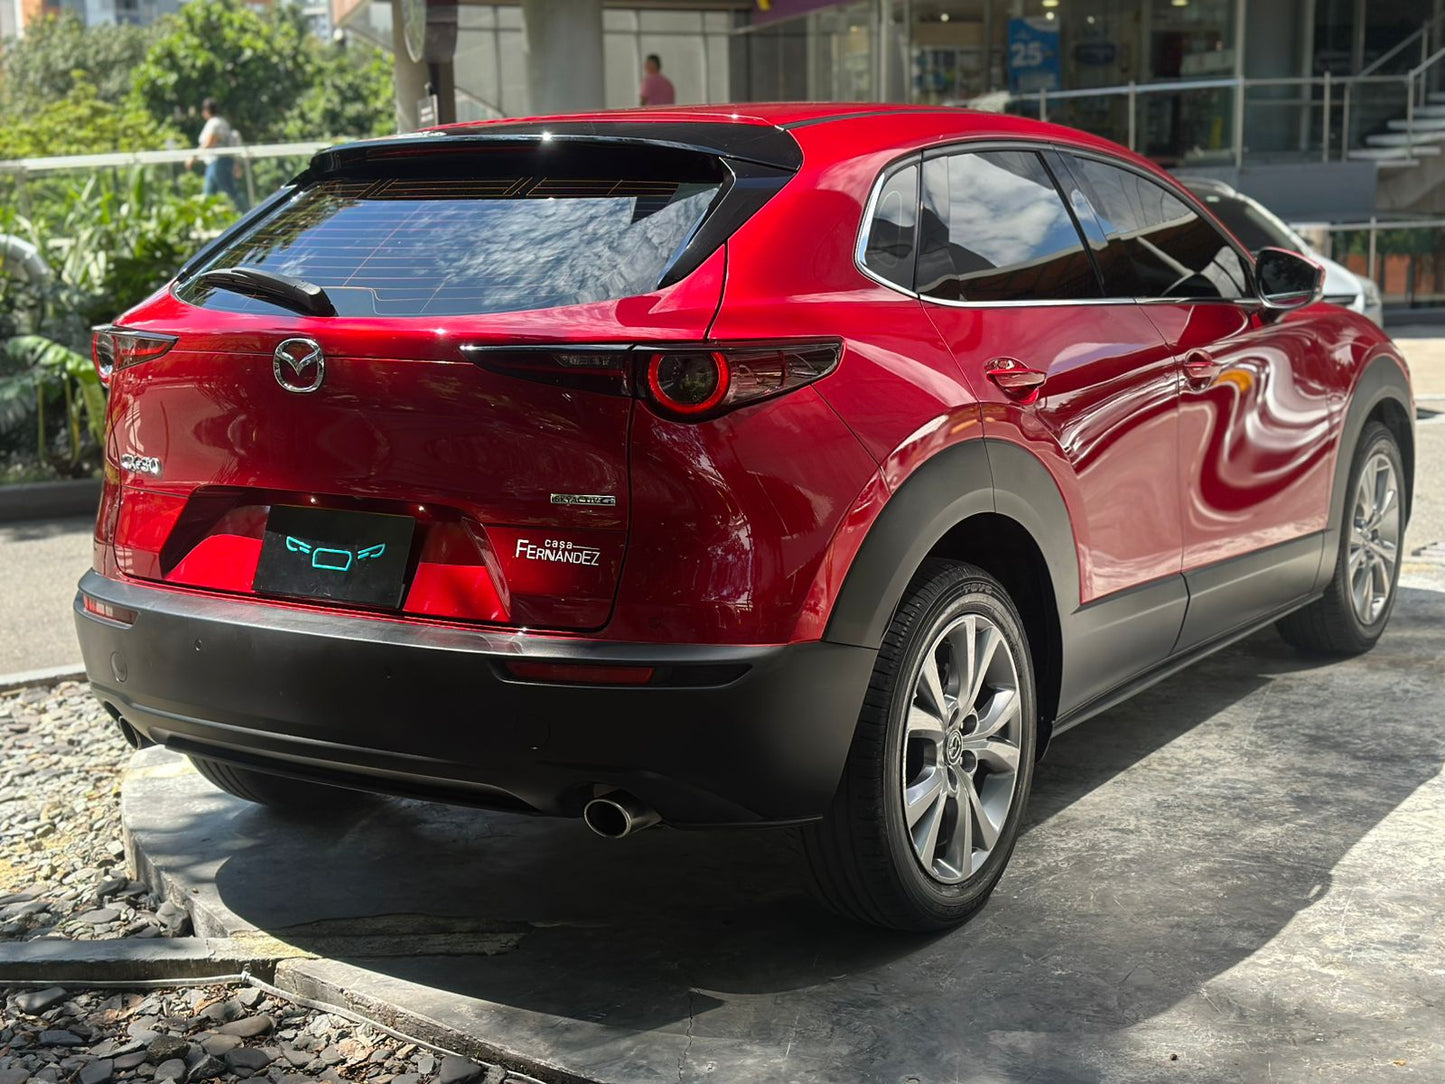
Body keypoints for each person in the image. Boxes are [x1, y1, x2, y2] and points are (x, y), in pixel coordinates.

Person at [189, 98, 248, 212]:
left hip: (219, 162)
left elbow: (210, 143)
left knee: (229, 192)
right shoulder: (220, 122)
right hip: (214, 162)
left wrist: (194, 157)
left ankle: (246, 213)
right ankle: (208, 220)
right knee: (209, 194)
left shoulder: (215, 123)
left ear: (207, 110)